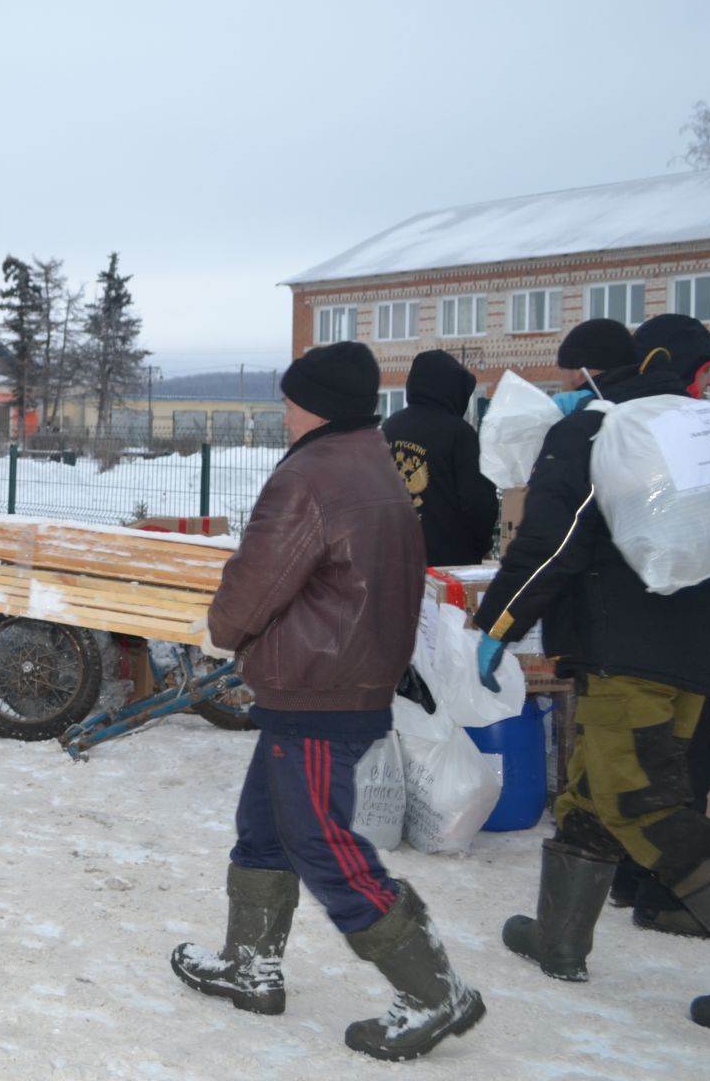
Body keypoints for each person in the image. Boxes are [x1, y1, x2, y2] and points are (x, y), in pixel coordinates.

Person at [475, 313, 710, 1032]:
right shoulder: (691, 428)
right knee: (593, 792)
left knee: (644, 802)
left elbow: (552, 539)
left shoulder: (599, 431)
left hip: (627, 655)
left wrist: (497, 624)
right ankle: (558, 937)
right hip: (697, 650)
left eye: (570, 375)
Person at [173, 341, 484, 1063]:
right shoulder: (370, 458)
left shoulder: (311, 474)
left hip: (321, 687)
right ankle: (251, 967)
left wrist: (224, 631)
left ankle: (434, 990)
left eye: (287, 399)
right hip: (340, 675)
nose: (281, 412)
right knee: (264, 826)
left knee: (321, 842)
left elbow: (259, 578)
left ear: (316, 404)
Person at [383, 349, 498, 567]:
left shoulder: (390, 427)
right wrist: (481, 546)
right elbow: (478, 502)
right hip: (447, 562)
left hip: (394, 557)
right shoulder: (459, 433)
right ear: (453, 390)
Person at [551, 317, 636, 413]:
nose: (562, 387)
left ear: (581, 375)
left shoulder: (581, 421)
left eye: (562, 372)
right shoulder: (646, 402)